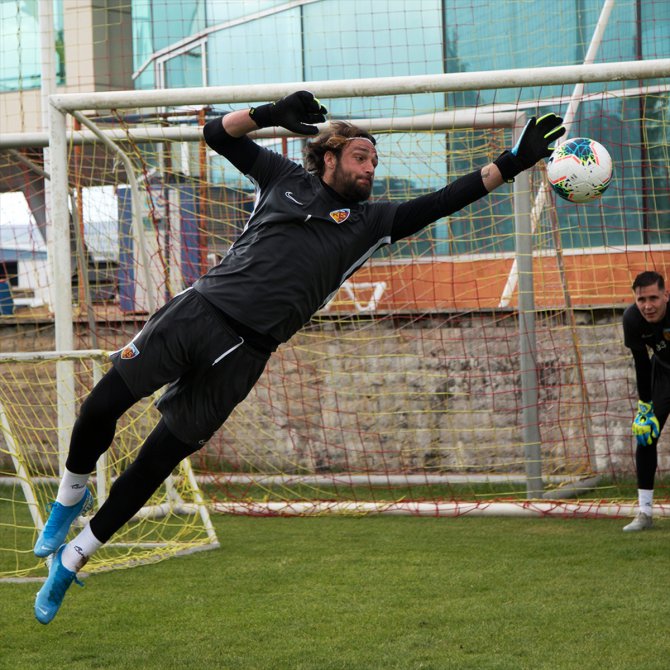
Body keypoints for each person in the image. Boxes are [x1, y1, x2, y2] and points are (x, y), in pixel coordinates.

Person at [33, 90, 565, 624]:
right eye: (361, 156)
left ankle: (75, 556)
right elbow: (216, 134)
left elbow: (444, 200)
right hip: (196, 314)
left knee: (157, 459)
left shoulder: (373, 222)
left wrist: (512, 162)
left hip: (246, 356)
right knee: (100, 406)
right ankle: (69, 498)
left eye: (374, 161)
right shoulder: (282, 178)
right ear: (328, 156)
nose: (370, 168)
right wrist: (269, 115)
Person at [622, 270, 670, 531]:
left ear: (666, 295)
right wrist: (645, 406)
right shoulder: (632, 318)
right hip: (662, 373)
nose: (648, 306)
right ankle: (645, 512)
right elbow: (641, 362)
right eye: (641, 299)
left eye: (653, 298)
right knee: (646, 436)